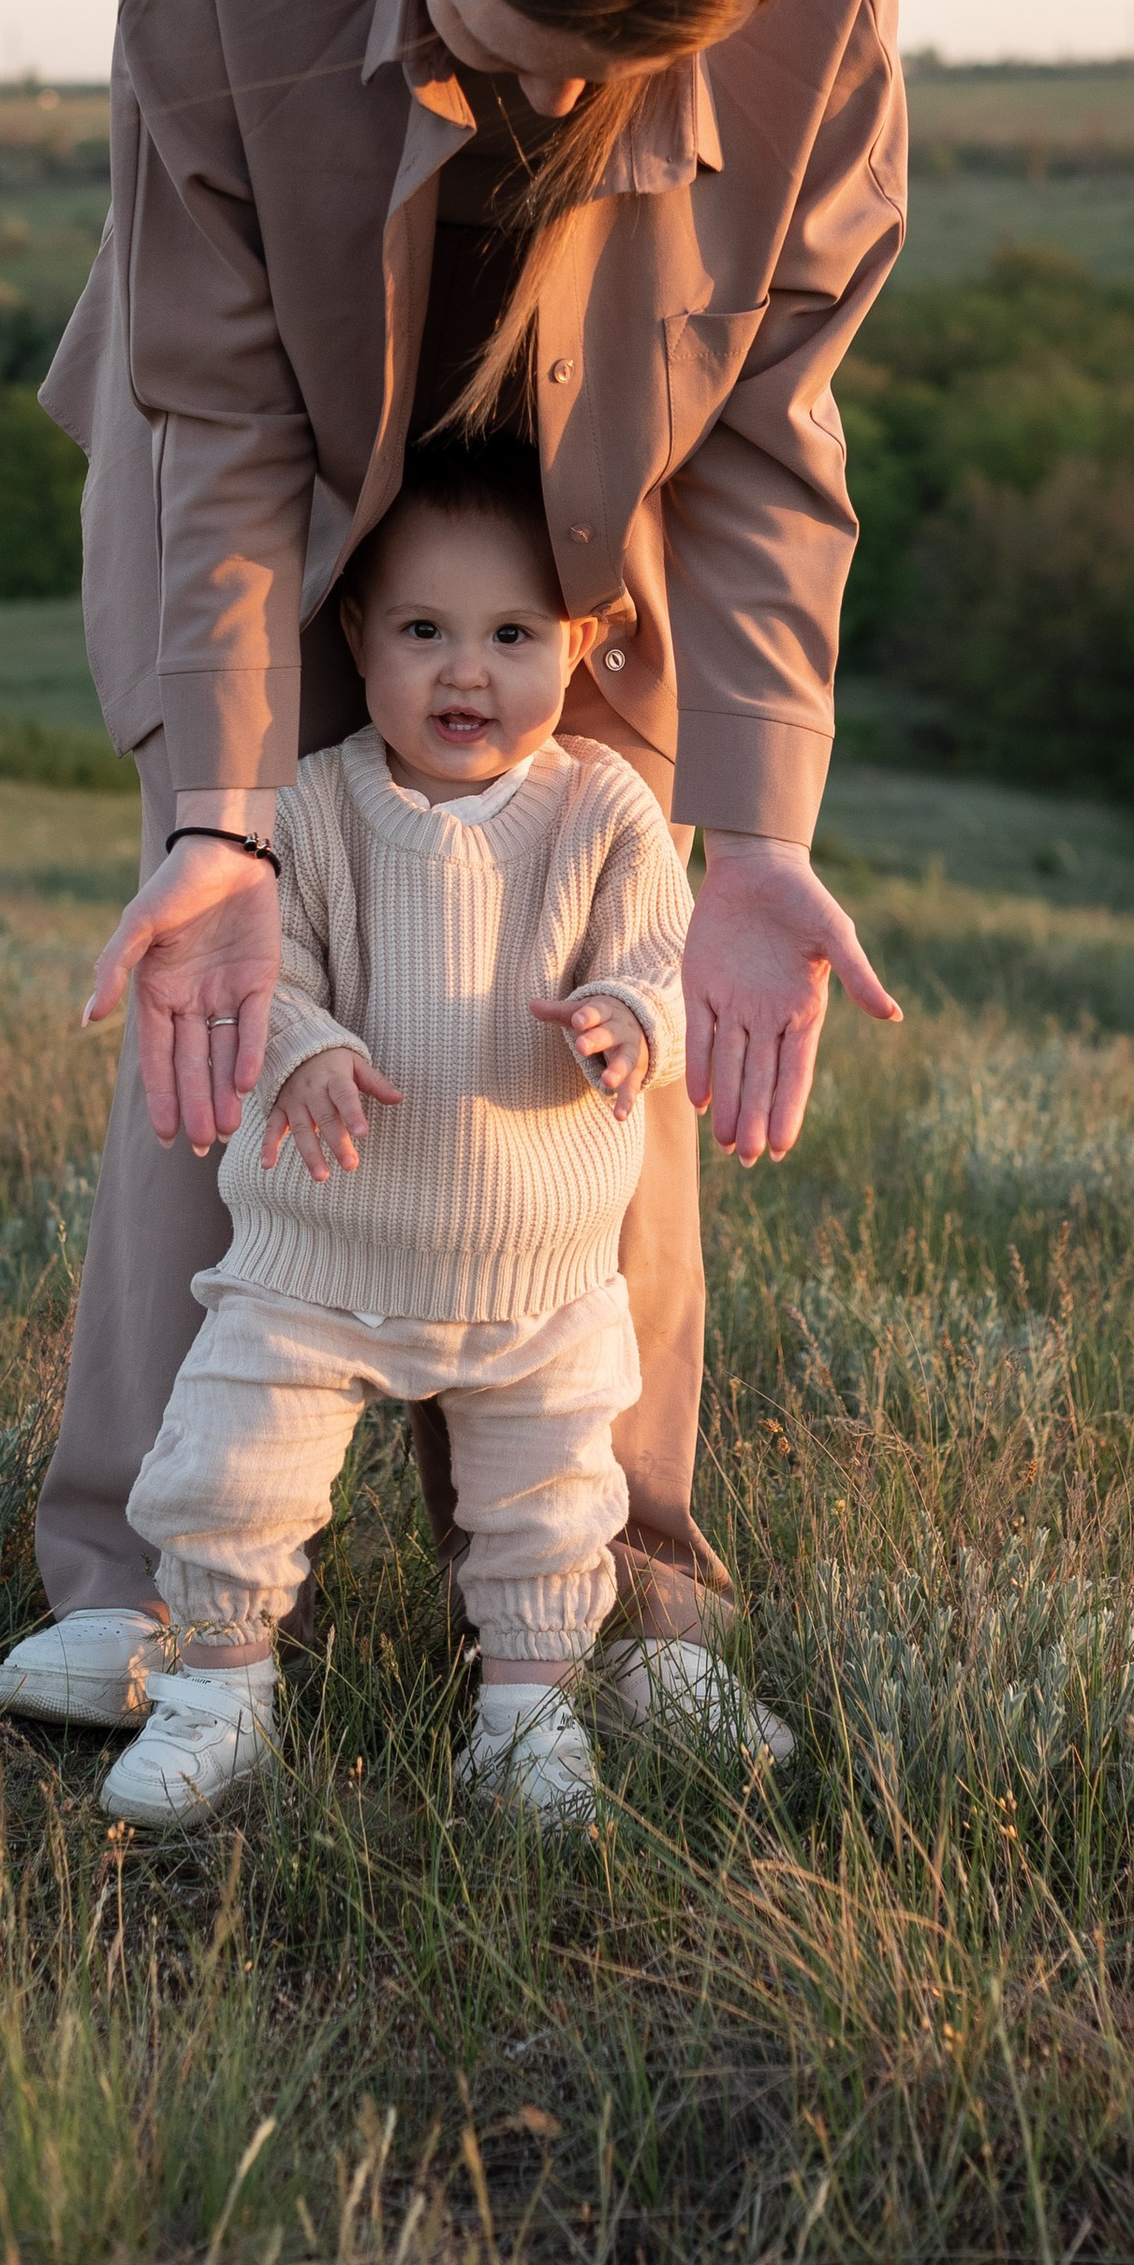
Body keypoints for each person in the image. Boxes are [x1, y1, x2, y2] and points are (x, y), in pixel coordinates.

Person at [0, 0, 904, 1752]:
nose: (572, 110)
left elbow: (771, 417)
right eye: (522, 58)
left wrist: (754, 838)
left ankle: (623, 1588)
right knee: (229, 963)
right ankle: (141, 1576)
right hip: (275, 431)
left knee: (609, 984)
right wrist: (218, 818)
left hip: (613, 455)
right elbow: (213, 399)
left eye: (628, 76)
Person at [102, 450, 687, 1828]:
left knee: (549, 1504)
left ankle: (527, 1715)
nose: (465, 674)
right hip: (317, 1250)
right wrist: (301, 1045)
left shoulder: (605, 810)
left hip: (536, 1269)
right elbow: (268, 966)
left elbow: (660, 955)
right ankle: (218, 1696)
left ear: (583, 643)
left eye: (511, 636)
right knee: (228, 1472)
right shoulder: (304, 806)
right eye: (424, 631)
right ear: (356, 636)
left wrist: (624, 1017)